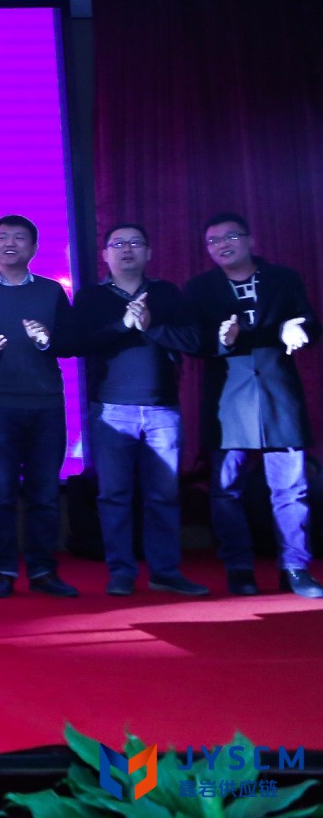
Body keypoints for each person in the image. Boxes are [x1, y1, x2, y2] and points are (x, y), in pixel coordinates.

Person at [185, 212, 322, 598]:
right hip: (228, 401)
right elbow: (195, 342)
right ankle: (239, 567)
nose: (222, 245)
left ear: (250, 240)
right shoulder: (199, 288)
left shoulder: (283, 278)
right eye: (213, 241)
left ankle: (295, 568)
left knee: (291, 490)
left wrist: (297, 327)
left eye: (230, 237)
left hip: (280, 396)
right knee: (226, 490)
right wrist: (228, 340)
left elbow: (312, 325)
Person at [71, 224, 208, 597]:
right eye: (118, 244)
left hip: (162, 411)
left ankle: (165, 571)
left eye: (135, 243)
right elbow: (75, 343)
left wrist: (150, 326)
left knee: (163, 497)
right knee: (113, 496)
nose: (126, 249)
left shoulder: (166, 293)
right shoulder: (91, 297)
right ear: (105, 255)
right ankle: (121, 572)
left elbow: (194, 341)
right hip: (111, 411)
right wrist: (122, 325)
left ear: (148, 252)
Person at [0, 214, 78, 598]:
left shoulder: (52, 292)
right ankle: (2, 570)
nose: (10, 243)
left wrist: (47, 341)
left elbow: (71, 343)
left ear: (34, 248)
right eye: (2, 237)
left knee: (45, 493)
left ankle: (42, 570)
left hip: (46, 405)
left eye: (19, 238)